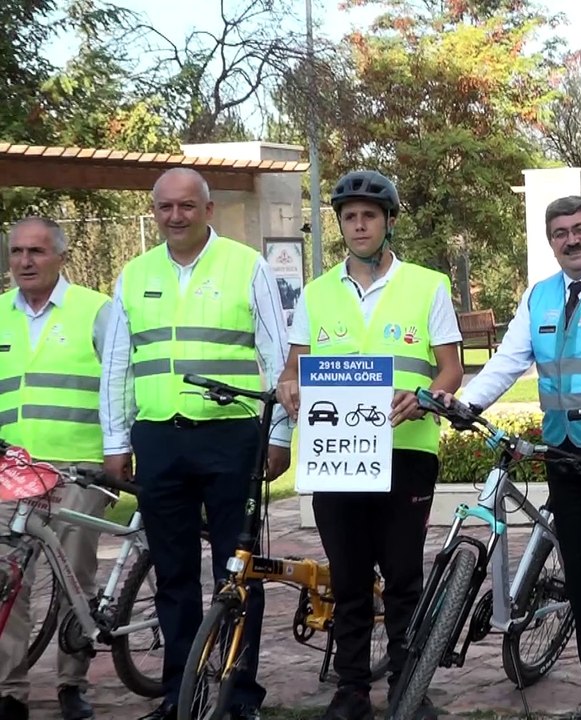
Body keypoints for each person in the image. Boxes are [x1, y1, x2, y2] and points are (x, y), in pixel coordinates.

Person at [438, 195, 581, 718]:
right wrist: (469, 403)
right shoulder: (540, 295)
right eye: (560, 233)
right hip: (565, 454)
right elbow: (509, 359)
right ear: (551, 242)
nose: (572, 240)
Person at [99, 168, 293, 720]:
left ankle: (239, 695)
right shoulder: (134, 274)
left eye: (187, 205)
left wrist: (279, 433)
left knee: (238, 572)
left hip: (231, 437)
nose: (175, 216)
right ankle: (179, 693)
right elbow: (118, 364)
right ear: (154, 212)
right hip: (160, 437)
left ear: (208, 210)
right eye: (165, 207)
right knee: (173, 574)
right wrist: (116, 440)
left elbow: (279, 355)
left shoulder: (246, 266)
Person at [276, 170, 464, 720]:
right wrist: (288, 385)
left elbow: (450, 369)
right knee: (349, 578)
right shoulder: (315, 293)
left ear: (388, 222)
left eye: (369, 216)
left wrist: (425, 397)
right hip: (338, 457)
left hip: (407, 450)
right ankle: (352, 689)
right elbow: (293, 368)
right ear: (340, 225)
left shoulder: (427, 285)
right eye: (350, 217)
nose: (359, 226)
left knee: (403, 576)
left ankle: (410, 685)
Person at [0, 218, 111, 720]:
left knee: (74, 577)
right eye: (16, 252)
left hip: (77, 467)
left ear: (60, 257)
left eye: (37, 251)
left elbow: (119, 384)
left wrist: (118, 451)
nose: (25, 261)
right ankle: (10, 691)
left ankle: (72, 683)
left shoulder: (96, 311)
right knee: (8, 582)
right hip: (11, 470)